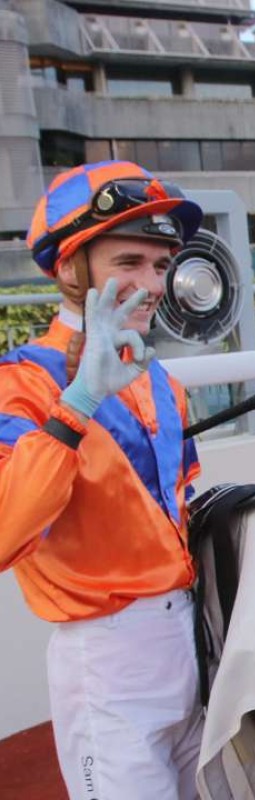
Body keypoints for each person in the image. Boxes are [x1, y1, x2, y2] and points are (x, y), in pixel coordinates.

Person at [0, 160, 205, 799]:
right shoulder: (22, 386)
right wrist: (78, 403)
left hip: (189, 638)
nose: (150, 284)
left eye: (161, 265)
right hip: (106, 661)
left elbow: (179, 506)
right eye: (128, 263)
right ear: (68, 268)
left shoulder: (158, 377)